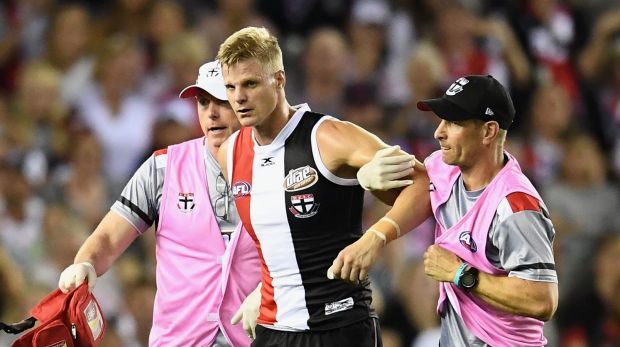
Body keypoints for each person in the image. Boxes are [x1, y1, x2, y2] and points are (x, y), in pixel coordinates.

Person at [215, 26, 431, 347]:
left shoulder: (328, 137)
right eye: (231, 87)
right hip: (275, 330)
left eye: (250, 83)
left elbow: (422, 183)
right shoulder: (230, 153)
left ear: (279, 80)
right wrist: (262, 288)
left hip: (339, 326)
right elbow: (279, 238)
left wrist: (376, 237)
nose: (239, 97)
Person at [57, 60, 262, 347]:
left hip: (256, 339)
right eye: (203, 103)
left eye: (222, 102)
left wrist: (268, 290)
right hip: (180, 341)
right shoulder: (163, 167)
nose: (212, 113)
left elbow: (303, 253)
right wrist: (86, 263)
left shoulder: (274, 166)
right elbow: (107, 237)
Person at [358, 75, 559, 346]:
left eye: (453, 122)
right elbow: (412, 196)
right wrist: (372, 182)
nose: (438, 132)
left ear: (488, 131)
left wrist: (460, 274)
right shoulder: (445, 167)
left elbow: (542, 299)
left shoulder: (515, 206)